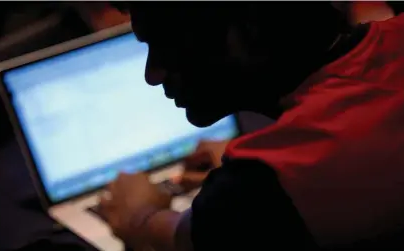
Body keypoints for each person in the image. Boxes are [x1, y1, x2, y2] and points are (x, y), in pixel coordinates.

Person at [100, 2, 404, 251]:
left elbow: (182, 239)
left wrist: (139, 216)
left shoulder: (265, 185)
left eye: (165, 44)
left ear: (246, 31)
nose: (152, 74)